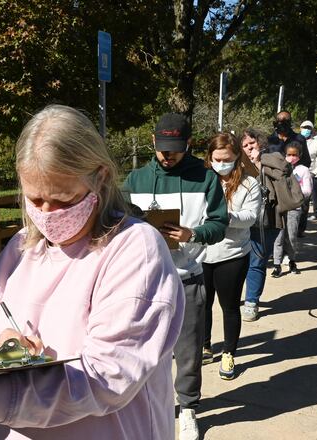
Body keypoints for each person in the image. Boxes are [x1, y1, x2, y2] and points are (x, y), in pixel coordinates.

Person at [0, 105, 186, 440]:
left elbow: (107, 377)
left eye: (63, 200)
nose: (46, 214)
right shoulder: (23, 246)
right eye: (35, 199)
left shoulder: (134, 249)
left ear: (100, 178)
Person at [121, 112, 228, 440]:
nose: (168, 155)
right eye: (163, 148)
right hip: (143, 283)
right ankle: (149, 407)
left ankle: (188, 409)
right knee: (142, 352)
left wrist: (192, 234)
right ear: (153, 142)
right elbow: (117, 223)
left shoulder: (206, 178)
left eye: (176, 149)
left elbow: (219, 224)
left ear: (188, 144)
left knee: (188, 352)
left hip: (187, 278)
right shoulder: (135, 180)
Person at [201, 133, 261, 381]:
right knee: (202, 304)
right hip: (202, 252)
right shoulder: (201, 180)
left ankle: (228, 352)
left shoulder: (249, 184)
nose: (221, 163)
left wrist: (225, 217)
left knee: (229, 306)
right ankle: (204, 346)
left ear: (237, 157)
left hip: (233, 253)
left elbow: (251, 217)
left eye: (227, 159)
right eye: (216, 159)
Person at [239, 129, 280, 322]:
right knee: (238, 261)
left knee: (257, 261)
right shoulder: (236, 162)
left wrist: (258, 161)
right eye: (245, 145)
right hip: (240, 220)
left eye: (252, 143)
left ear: (260, 143)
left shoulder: (273, 158)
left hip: (266, 221)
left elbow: (282, 176)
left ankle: (251, 302)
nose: (249, 148)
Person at [271, 141, 312, 277]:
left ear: (299, 156)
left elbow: (307, 190)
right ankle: (277, 265)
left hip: (294, 207)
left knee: (291, 236)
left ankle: (292, 261)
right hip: (280, 207)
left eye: (295, 155)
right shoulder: (279, 168)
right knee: (279, 236)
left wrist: (294, 193)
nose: (292, 157)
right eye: (289, 154)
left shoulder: (303, 170)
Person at [299, 120, 317, 236]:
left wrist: (313, 173)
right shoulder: (295, 141)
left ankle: (300, 230)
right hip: (293, 176)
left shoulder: (316, 144)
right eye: (304, 127)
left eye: (308, 128)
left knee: (304, 205)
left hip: (308, 178)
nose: (306, 130)